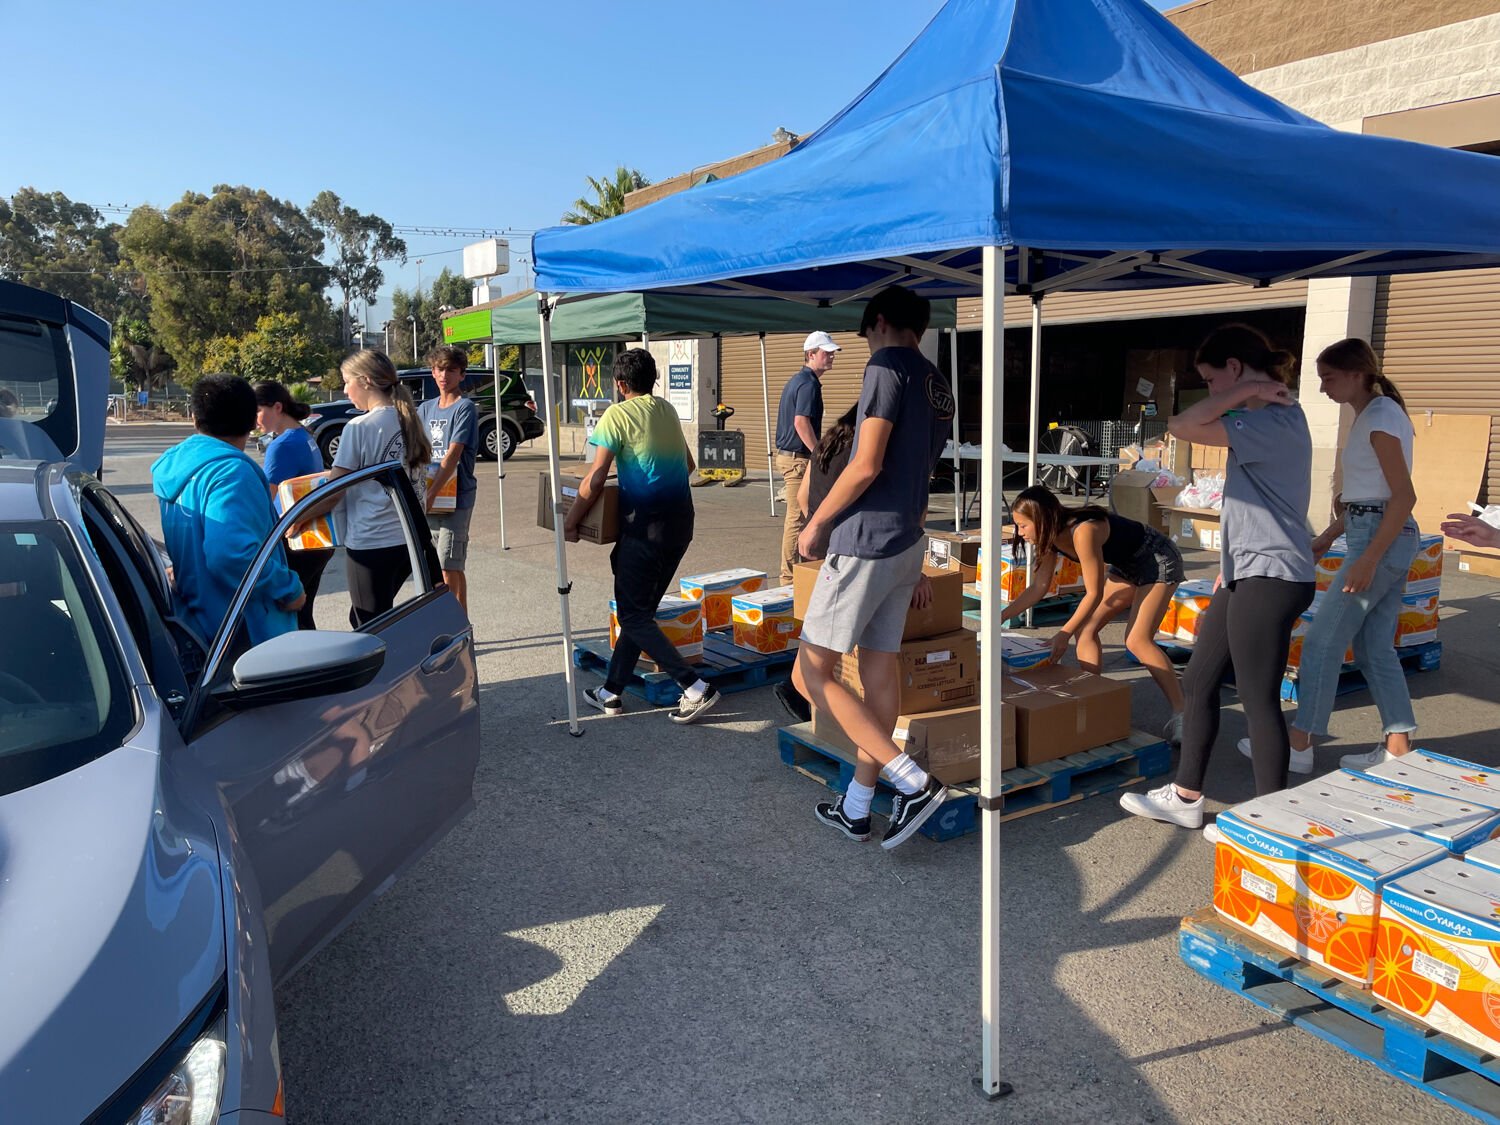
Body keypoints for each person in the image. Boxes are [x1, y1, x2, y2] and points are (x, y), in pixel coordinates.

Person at [1120, 324, 1315, 829]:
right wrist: (1227, 571)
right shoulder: (1256, 417)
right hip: (1245, 575)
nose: (1209, 392)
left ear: (1234, 368)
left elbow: (1180, 425)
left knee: (1257, 699)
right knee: (1201, 680)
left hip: (1272, 576)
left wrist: (1245, 389)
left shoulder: (1273, 418)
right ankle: (1186, 797)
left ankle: (1273, 824)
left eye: (1211, 379)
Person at [792, 285, 954, 851]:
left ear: (879, 321)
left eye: (862, 336)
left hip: (863, 541)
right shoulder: (937, 380)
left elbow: (865, 464)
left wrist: (816, 526)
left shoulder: (886, 366)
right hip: (906, 541)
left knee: (812, 673)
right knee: (879, 673)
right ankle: (857, 806)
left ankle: (910, 780)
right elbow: (919, 467)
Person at [1231, 339, 1421, 775]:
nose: (1323, 388)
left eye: (1329, 378)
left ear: (1357, 373)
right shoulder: (1375, 415)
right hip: (1374, 534)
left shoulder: (1380, 417)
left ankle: (1299, 743)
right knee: (1374, 648)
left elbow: (1403, 496)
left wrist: (1368, 558)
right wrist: (1329, 537)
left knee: (1321, 642)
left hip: (1380, 540)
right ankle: (1398, 744)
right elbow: (1367, 497)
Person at [566, 348, 721, 724]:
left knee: (634, 615)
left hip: (645, 527)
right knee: (640, 611)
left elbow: (597, 477)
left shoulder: (616, 415)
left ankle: (694, 686)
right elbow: (687, 465)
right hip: (679, 524)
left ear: (620, 384)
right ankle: (611, 691)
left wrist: (571, 521)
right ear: (652, 379)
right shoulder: (666, 410)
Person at [1001, 485, 1186, 739]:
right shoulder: (1050, 538)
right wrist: (1000, 616)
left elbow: (1093, 592)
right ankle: (1090, 699)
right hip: (1127, 565)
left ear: (1042, 519)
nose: (1020, 534)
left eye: (1023, 526)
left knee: (1137, 640)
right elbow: (1039, 587)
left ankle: (1183, 713)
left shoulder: (1083, 531)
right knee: (1085, 629)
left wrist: (1062, 634)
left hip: (1157, 558)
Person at [152, 374, 304, 646]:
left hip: (200, 623)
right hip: (243, 635)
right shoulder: (232, 473)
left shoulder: (175, 467)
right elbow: (230, 554)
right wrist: (288, 588)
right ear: (250, 422)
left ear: (195, 419)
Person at [295, 350, 432, 627]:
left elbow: (333, 492)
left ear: (366, 380)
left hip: (372, 541)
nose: (345, 391)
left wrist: (298, 518)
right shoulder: (412, 421)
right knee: (377, 616)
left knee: (368, 623)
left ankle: (389, 670)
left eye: (347, 382)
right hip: (408, 539)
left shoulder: (359, 427)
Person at [774, 406, 859, 724]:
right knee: (835, 626)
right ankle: (801, 688)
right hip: (848, 545)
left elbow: (804, 496)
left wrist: (816, 524)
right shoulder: (863, 453)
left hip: (820, 543)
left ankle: (797, 683)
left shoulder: (826, 444)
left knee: (821, 620)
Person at [255, 380, 331, 631]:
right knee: (303, 614)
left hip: (295, 539)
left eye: (257, 410)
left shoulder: (282, 445)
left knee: (289, 615)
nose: (255, 419)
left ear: (277, 407)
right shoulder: (302, 435)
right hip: (315, 539)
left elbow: (265, 500)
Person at [773, 331, 840, 583]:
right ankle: (789, 578)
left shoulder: (800, 380)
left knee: (802, 515)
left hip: (793, 457)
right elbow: (801, 422)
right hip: (797, 460)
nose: (831, 356)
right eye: (826, 352)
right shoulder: (808, 383)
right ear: (811, 355)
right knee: (797, 518)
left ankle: (796, 573)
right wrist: (819, 453)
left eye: (832, 352)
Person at [418, 344, 479, 617]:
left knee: (449, 565)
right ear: (433, 372)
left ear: (461, 375)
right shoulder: (426, 408)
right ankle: (460, 621)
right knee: (441, 567)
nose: (445, 375)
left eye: (451, 370)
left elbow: (453, 455)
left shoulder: (464, 407)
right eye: (440, 369)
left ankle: (455, 624)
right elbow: (417, 450)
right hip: (430, 494)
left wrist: (428, 496)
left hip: (457, 497)